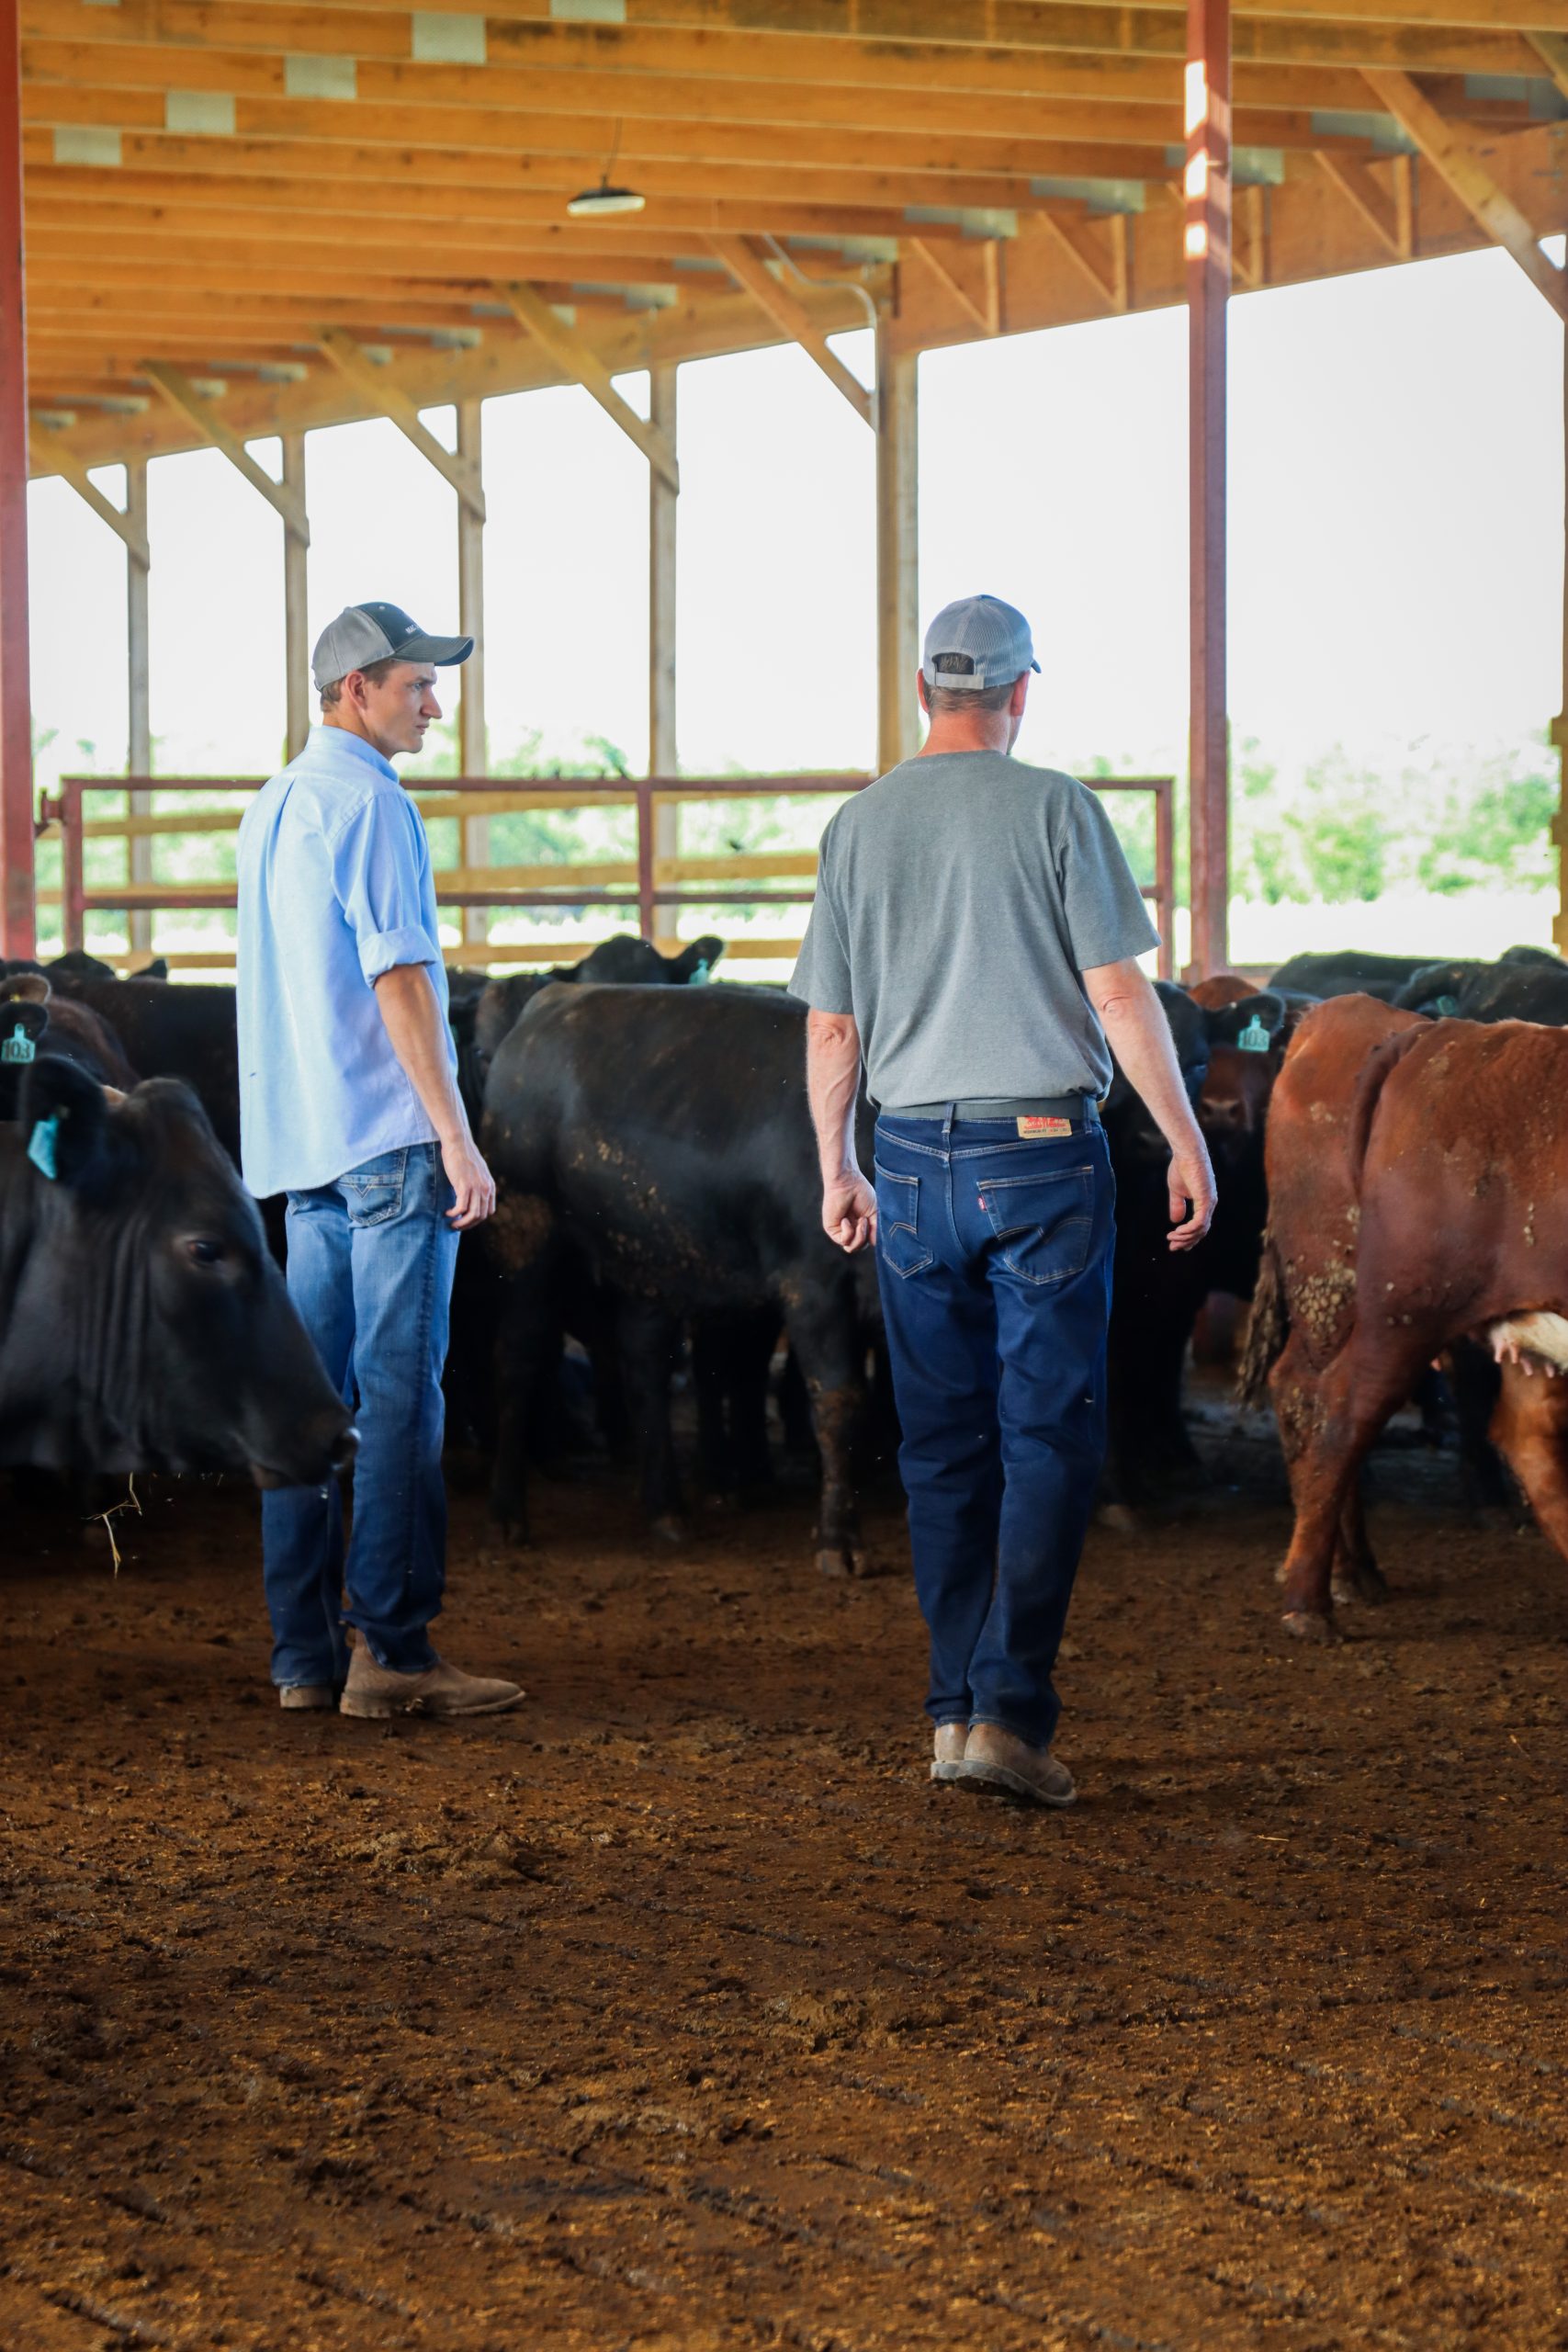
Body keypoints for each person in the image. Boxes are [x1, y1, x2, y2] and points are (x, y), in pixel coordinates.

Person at [794, 594, 1215, 1807]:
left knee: (937, 1442)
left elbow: (832, 1025)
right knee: (1044, 1435)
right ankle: (1007, 1717)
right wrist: (1180, 1135)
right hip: (1039, 1156)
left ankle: (947, 1714)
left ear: (923, 691)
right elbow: (1122, 998)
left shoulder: (858, 827)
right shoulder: (1053, 808)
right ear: (1019, 692)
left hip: (911, 1161)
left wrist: (836, 1162)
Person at [236, 601, 522, 1720]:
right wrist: (455, 1133)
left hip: (304, 1152)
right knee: (401, 1399)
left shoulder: (274, 805)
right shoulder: (370, 803)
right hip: (388, 1146)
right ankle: (393, 1651)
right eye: (417, 685)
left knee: (309, 1403)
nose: (435, 705)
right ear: (357, 689)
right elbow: (401, 977)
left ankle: (303, 1657)